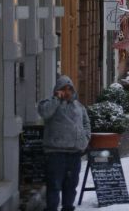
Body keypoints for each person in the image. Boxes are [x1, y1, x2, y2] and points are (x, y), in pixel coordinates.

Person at [37, 75, 91, 211]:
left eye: (69, 89)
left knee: (71, 186)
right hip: (55, 153)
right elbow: (45, 113)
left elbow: (86, 123)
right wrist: (56, 99)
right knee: (54, 186)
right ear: (57, 89)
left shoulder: (79, 106)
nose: (67, 92)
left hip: (74, 153)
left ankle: (68, 208)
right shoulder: (49, 103)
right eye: (63, 88)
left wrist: (85, 138)